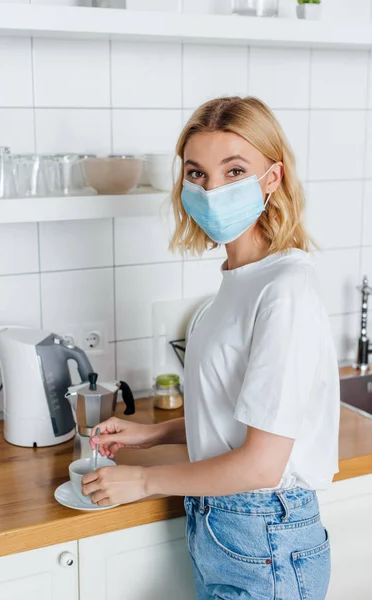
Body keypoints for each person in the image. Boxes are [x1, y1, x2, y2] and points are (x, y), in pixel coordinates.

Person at [82, 96, 340, 600]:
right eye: (197, 173)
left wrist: (142, 483)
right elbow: (244, 417)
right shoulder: (238, 280)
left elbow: (263, 464)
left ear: (272, 178)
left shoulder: (284, 289)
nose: (212, 189)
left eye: (235, 170)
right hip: (229, 527)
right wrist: (153, 434)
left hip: (264, 536)